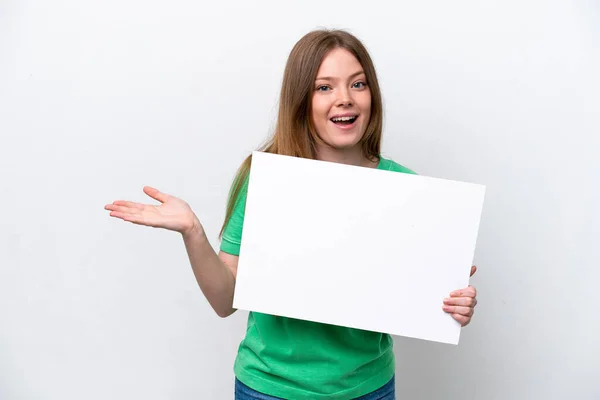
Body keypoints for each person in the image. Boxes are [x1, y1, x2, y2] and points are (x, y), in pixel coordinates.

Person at [104, 29, 478, 400]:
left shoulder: (407, 190)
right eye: (324, 87)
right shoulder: (264, 180)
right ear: (301, 99)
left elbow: (423, 298)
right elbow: (224, 302)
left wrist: (451, 301)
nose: (344, 99)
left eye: (358, 84)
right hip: (269, 389)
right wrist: (193, 231)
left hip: (368, 389)